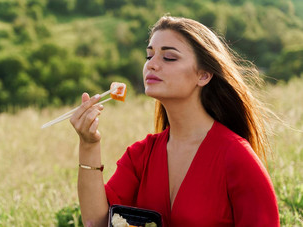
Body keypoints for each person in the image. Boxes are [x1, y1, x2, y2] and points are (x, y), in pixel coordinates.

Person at [70, 16, 280, 227]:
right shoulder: (141, 156)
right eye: (149, 56)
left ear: (204, 75)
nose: (151, 65)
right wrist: (89, 145)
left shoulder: (236, 156)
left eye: (169, 57)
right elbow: (97, 222)